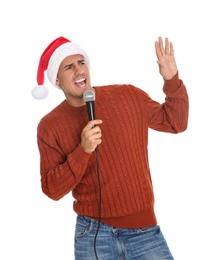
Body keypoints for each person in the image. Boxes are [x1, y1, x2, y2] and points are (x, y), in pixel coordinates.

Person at [32, 36, 189, 260]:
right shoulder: (50, 126)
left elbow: (176, 122)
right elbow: (51, 189)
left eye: (81, 63)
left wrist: (171, 79)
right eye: (69, 67)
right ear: (57, 81)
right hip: (92, 235)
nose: (79, 71)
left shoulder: (128, 96)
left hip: (144, 232)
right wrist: (82, 150)